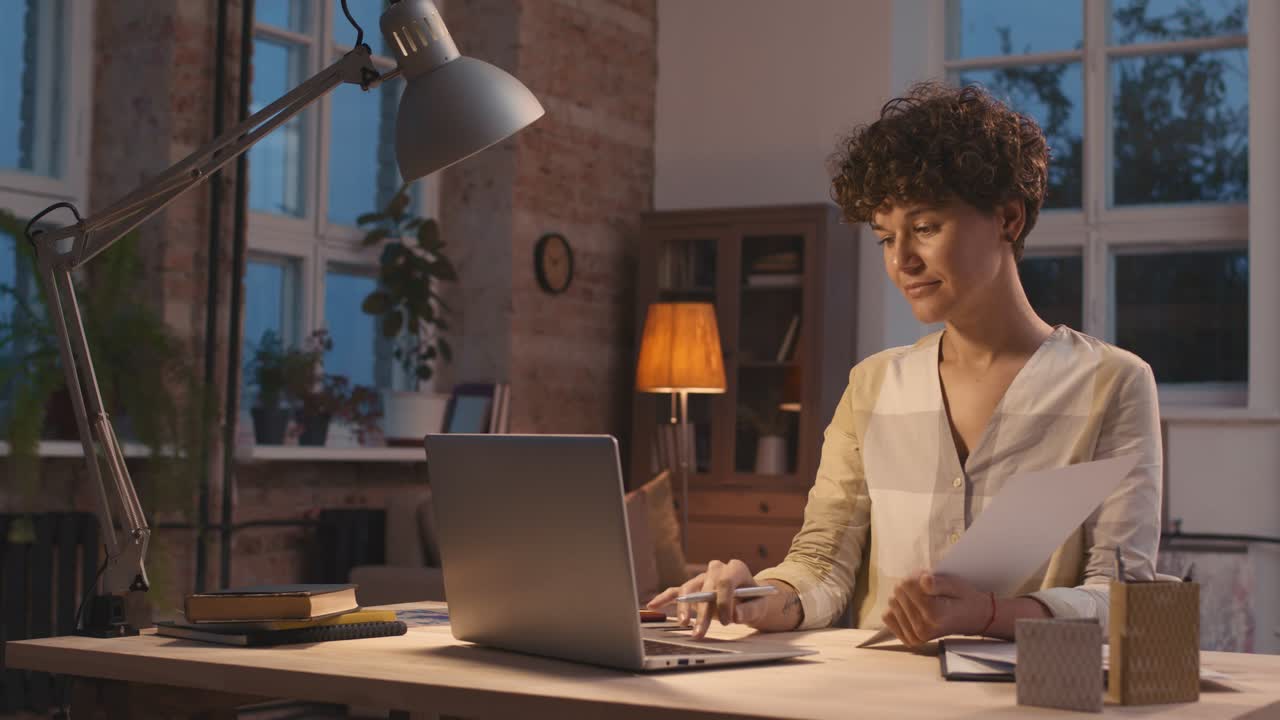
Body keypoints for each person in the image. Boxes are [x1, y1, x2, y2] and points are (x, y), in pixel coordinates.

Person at [647, 81, 1162, 647]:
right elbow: (821, 565)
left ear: (1008, 219)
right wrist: (757, 599)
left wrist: (988, 613)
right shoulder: (872, 385)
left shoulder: (1112, 383)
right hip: (882, 697)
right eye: (885, 238)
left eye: (924, 228)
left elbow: (1124, 598)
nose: (902, 261)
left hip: (1033, 702)